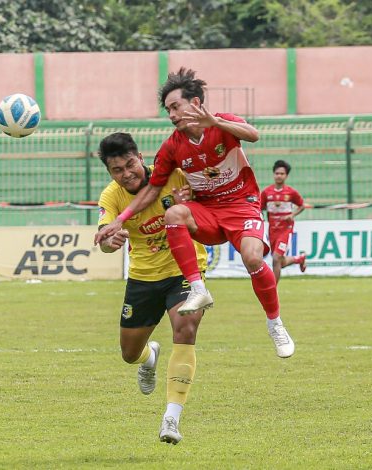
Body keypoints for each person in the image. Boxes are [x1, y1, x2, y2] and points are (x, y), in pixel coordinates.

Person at [95, 67, 295, 359]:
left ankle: (275, 323)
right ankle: (198, 289)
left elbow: (253, 135)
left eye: (176, 106)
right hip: (208, 213)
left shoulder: (223, 123)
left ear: (196, 104)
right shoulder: (172, 147)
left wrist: (215, 121)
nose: (173, 115)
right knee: (175, 213)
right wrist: (120, 220)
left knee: (253, 257)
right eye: (168, 110)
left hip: (241, 205)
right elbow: (153, 188)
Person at [97, 132, 207, 445]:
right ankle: (149, 357)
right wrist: (109, 241)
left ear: (140, 157)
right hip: (144, 278)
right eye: (116, 170)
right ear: (109, 173)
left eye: (129, 164)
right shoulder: (111, 197)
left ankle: (171, 417)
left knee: (185, 328)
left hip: (185, 270)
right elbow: (104, 235)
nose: (126, 173)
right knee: (129, 354)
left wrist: (193, 207)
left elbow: (207, 210)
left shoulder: (174, 177)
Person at [260, 159, 307, 282]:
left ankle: (272, 291)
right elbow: (260, 207)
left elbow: (302, 206)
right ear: (273, 174)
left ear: (286, 176)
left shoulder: (291, 192)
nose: (279, 176)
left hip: (285, 229)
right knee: (279, 261)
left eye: (282, 174)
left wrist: (292, 214)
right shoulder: (266, 192)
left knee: (276, 259)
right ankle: (299, 259)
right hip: (272, 229)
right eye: (277, 173)